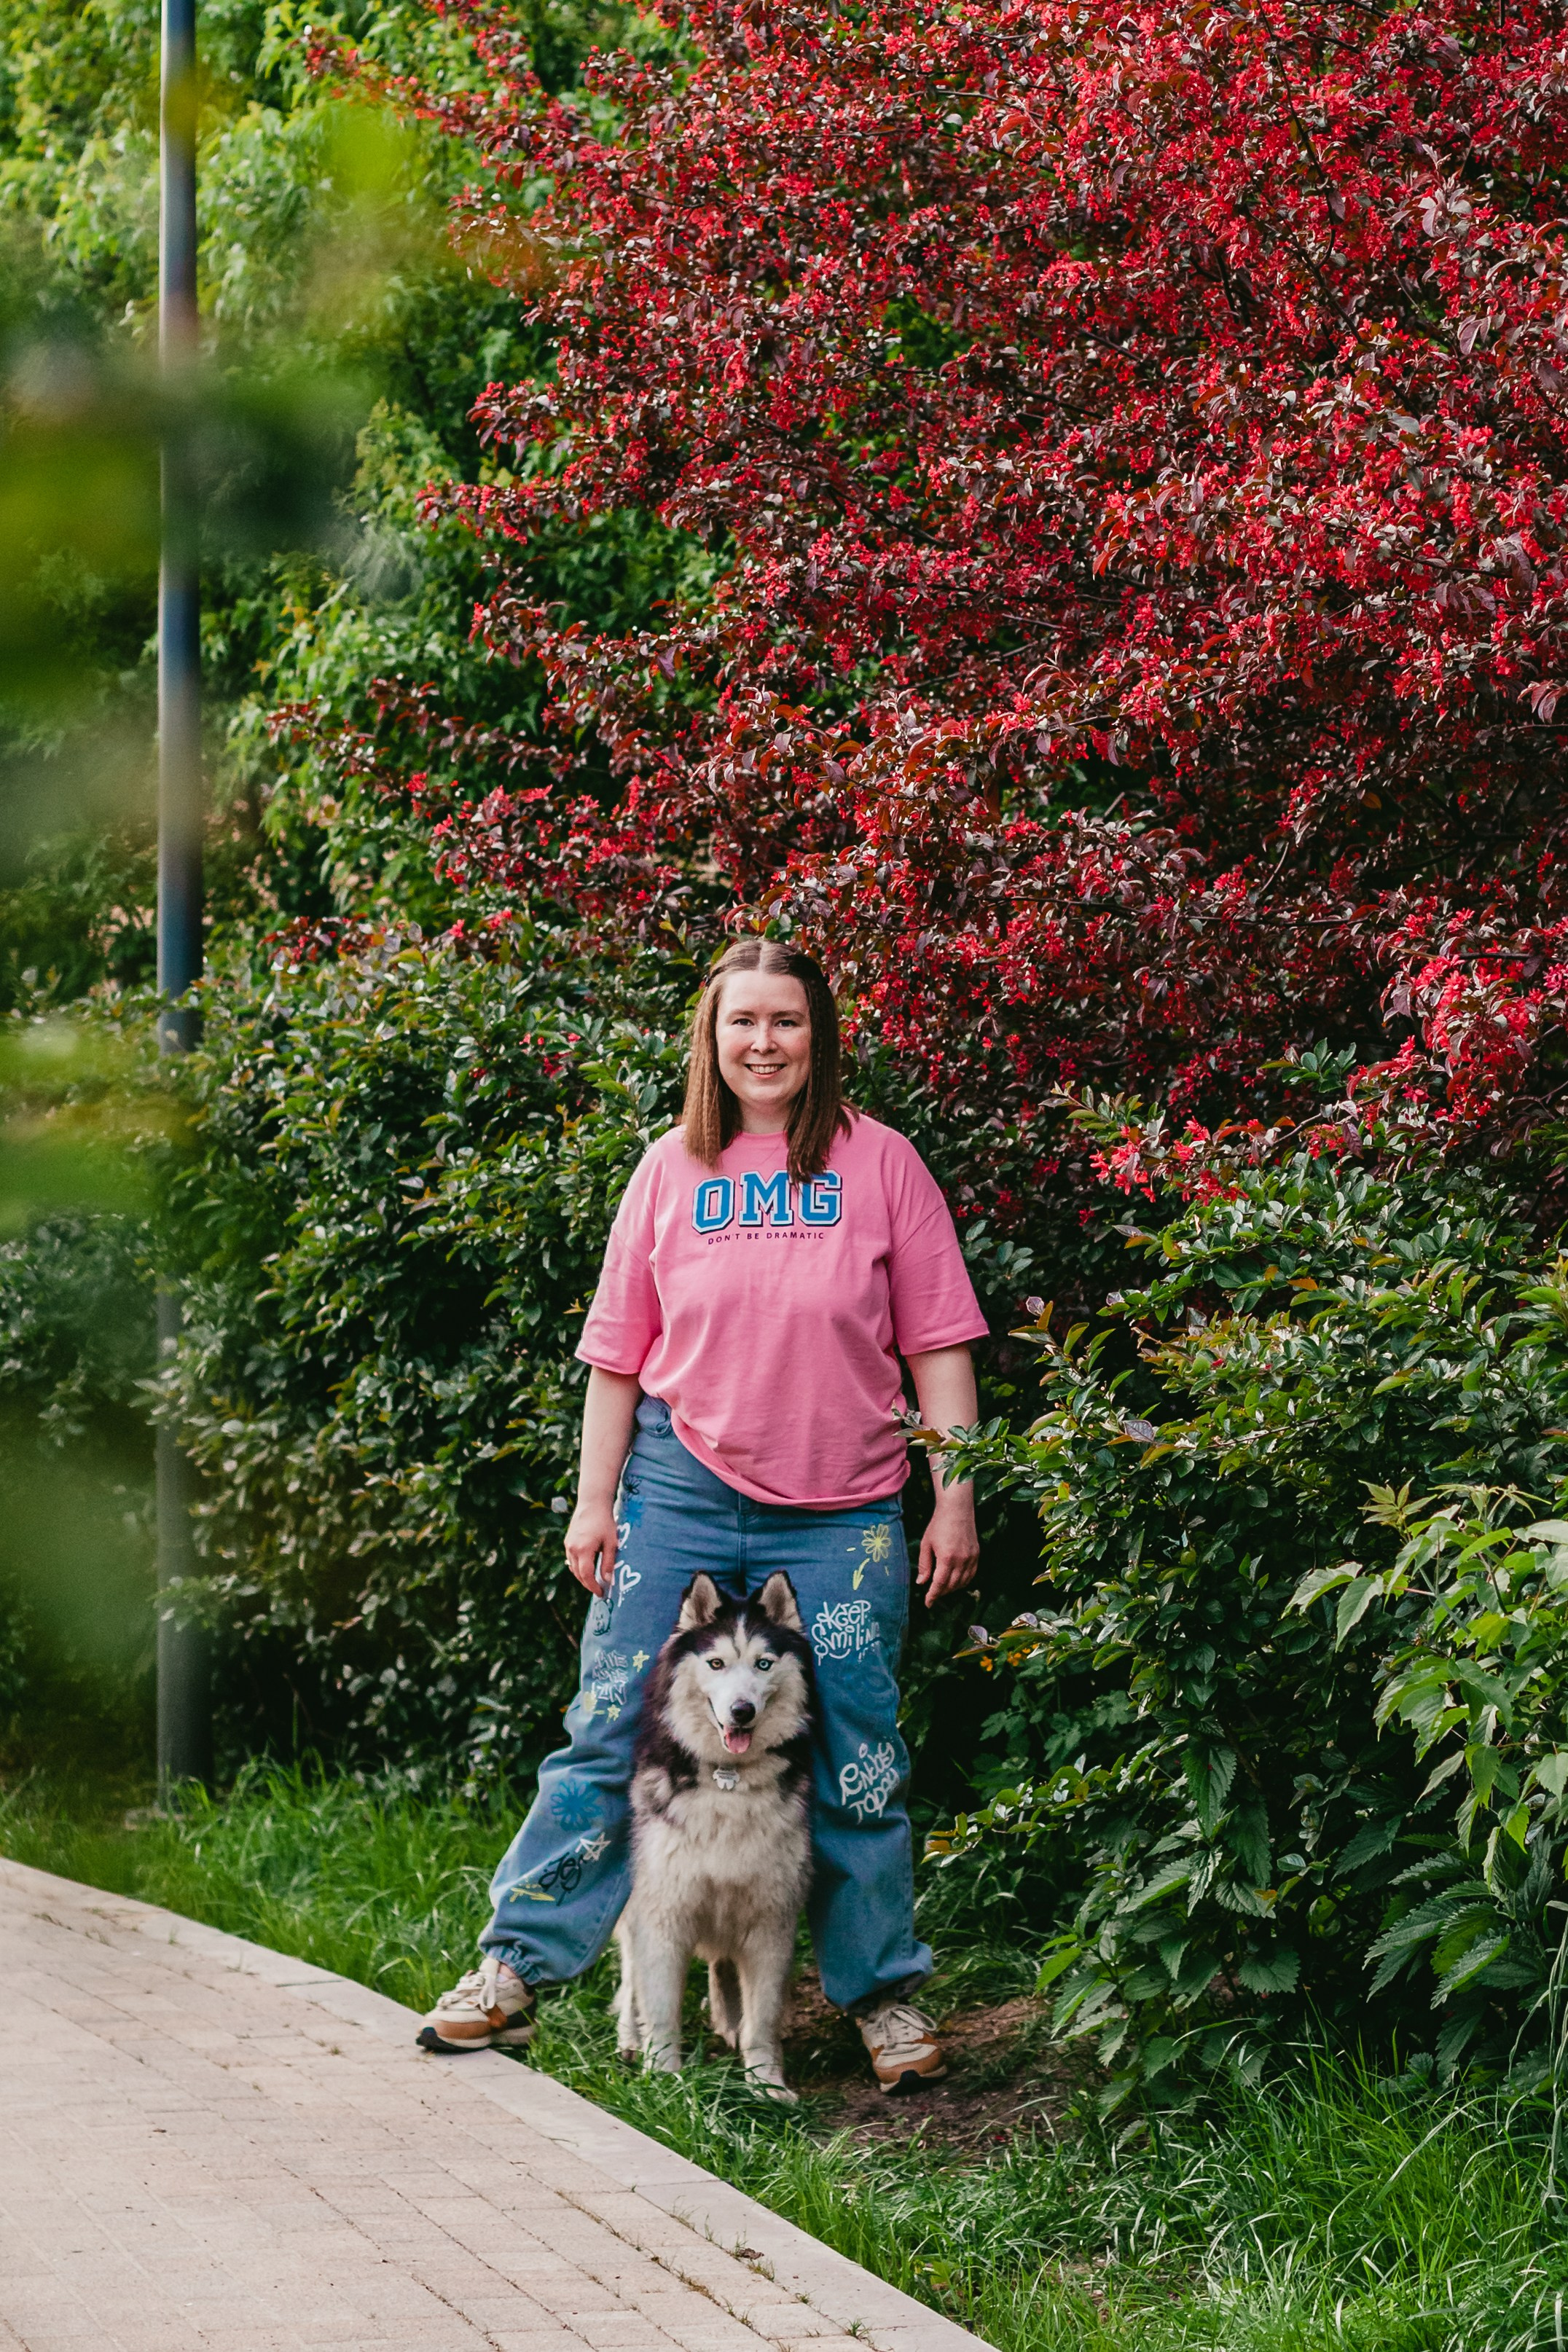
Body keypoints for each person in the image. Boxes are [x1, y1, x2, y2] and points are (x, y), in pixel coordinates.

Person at [417, 938, 987, 2091]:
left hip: (843, 1509)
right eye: (743, 1022)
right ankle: (513, 1971)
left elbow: (939, 1345)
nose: (764, 1043)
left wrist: (955, 1497)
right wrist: (594, 1503)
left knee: (860, 1750)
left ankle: (881, 1995)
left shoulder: (882, 1164)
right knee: (608, 1728)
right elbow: (615, 1357)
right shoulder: (670, 1167)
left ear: (818, 1035)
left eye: (786, 1020)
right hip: (679, 1488)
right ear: (711, 1039)